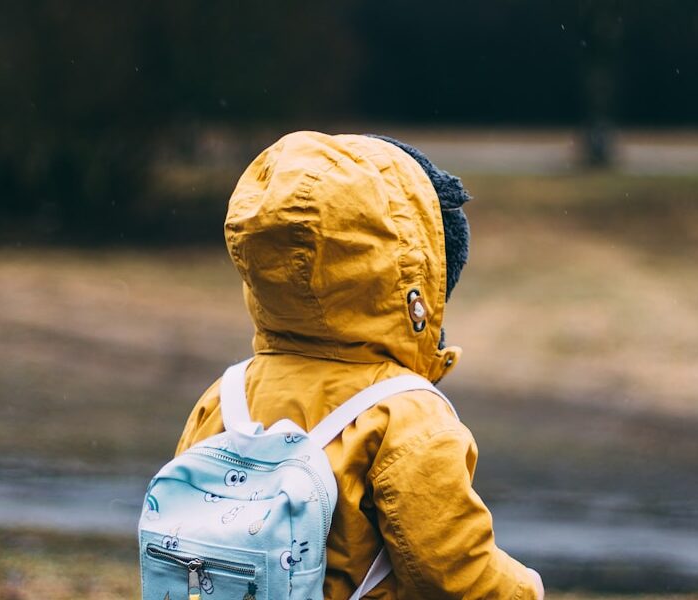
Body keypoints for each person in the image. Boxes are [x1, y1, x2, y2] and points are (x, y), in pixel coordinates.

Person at [175, 131, 545, 599]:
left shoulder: (225, 397)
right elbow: (451, 572)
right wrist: (525, 589)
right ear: (413, 276)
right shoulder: (404, 417)